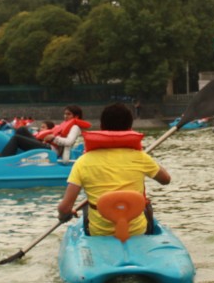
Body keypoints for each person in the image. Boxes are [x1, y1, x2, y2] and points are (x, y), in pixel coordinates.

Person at [57, 102, 171, 238]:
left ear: (101, 127)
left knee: (87, 205)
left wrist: (65, 215)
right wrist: (146, 159)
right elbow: (166, 180)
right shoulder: (140, 157)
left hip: (99, 233)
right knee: (145, 204)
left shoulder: (83, 161)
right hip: (137, 231)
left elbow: (64, 208)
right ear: (130, 128)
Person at [0, 106, 90, 162]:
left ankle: (3, 159)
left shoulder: (75, 127)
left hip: (51, 150)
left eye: (68, 114)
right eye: (65, 114)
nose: (65, 116)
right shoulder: (66, 124)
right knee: (22, 129)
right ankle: (7, 152)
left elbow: (69, 142)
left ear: (76, 116)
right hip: (46, 144)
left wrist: (53, 139)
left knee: (16, 138)